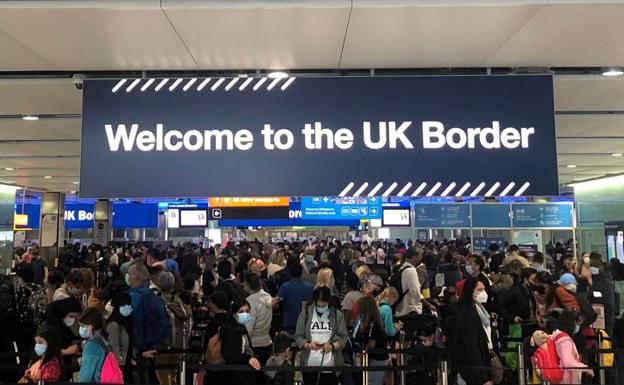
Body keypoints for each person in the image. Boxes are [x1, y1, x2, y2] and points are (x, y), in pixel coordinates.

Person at [295, 286, 348, 385]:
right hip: (309, 365)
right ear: (314, 301)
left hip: (330, 365)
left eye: (324, 305)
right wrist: (307, 344)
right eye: (318, 305)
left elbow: (343, 337)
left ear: (329, 302)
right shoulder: (305, 314)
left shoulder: (337, 315)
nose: (321, 308)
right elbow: (298, 336)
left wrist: (332, 346)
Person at [127, 261, 170, 384]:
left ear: (135, 276)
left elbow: (136, 324)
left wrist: (137, 350)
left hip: (140, 348)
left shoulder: (135, 296)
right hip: (153, 345)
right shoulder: (152, 295)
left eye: (129, 274)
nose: (128, 277)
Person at [451, 277, 492, 385]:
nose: (483, 293)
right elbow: (471, 346)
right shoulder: (468, 313)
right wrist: (483, 378)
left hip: (479, 363)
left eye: (484, 289)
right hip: (471, 367)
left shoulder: (479, 309)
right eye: (479, 290)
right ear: (470, 292)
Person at [219, 298, 262, 385]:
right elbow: (230, 354)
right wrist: (248, 359)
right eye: (241, 311)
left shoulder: (240, 327)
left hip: (243, 373)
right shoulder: (232, 329)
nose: (245, 314)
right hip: (237, 375)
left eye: (247, 311)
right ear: (234, 314)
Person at [553, 309, 594, 384]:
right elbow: (567, 362)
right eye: (577, 323)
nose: (578, 326)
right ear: (572, 323)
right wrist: (585, 368)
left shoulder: (557, 336)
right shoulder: (565, 340)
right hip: (568, 379)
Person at [356, 295, 389, 385]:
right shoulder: (373, 321)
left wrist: (362, 354)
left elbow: (371, 343)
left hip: (378, 358)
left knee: (374, 382)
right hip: (375, 357)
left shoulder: (373, 324)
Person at [244, 272, 273, 366]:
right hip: (267, 342)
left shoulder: (250, 301)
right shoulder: (268, 297)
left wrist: (245, 345)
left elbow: (248, 327)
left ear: (247, 284)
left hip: (254, 345)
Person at [276, 263, 313, 334]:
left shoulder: (285, 287)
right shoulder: (310, 287)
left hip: (289, 322)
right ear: (302, 272)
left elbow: (277, 300)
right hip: (306, 322)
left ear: (290, 273)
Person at [105, 292, 133, 383]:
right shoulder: (113, 325)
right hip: (119, 368)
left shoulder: (126, 321)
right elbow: (114, 348)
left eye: (129, 304)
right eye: (124, 304)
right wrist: (120, 365)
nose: (127, 306)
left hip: (127, 365)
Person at [77, 308, 109, 383]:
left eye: (83, 326)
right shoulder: (102, 338)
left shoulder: (91, 345)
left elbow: (85, 377)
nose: (81, 329)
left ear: (92, 325)